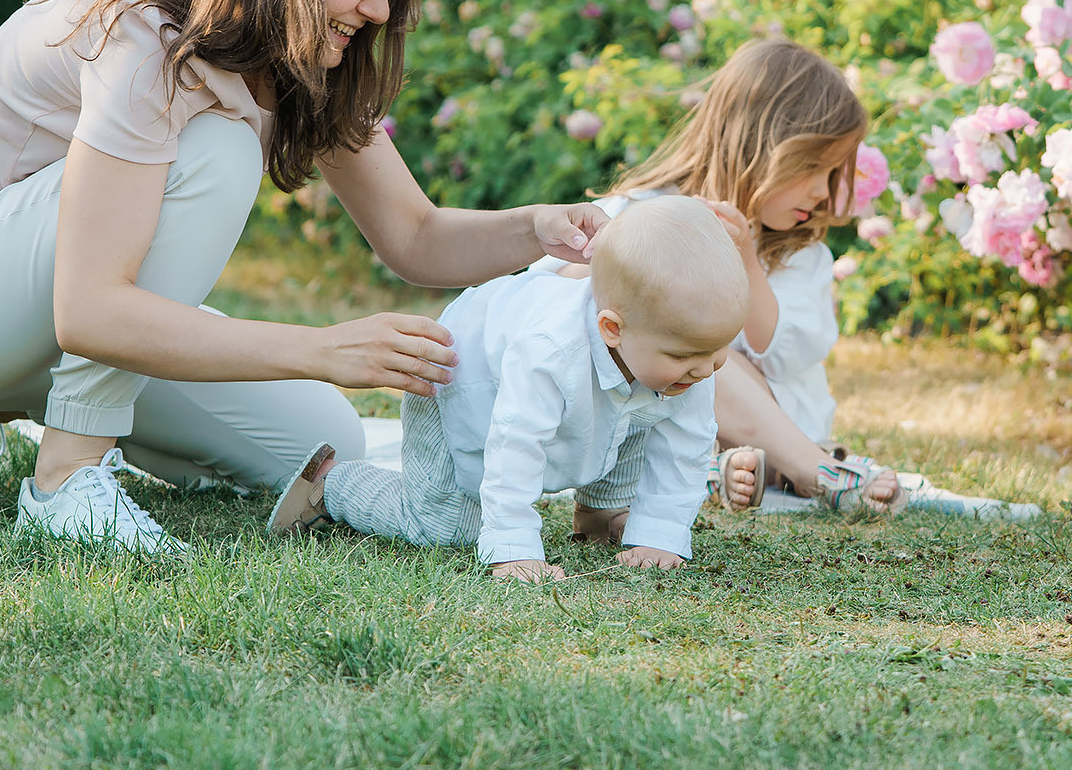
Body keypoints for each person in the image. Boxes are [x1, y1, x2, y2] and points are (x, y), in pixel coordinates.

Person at [0, 0, 608, 551]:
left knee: (329, 436)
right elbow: (88, 311)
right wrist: (323, 347)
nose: (378, 8)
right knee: (218, 153)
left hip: (26, 313)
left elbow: (415, 235)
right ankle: (65, 473)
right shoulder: (147, 31)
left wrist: (535, 226)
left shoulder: (300, 50)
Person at [273, 195, 748, 582]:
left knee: (645, 405)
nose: (708, 368)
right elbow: (516, 441)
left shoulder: (686, 354)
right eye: (687, 356)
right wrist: (516, 548)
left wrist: (660, 534)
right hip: (457, 385)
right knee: (446, 526)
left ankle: (603, 513)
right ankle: (332, 484)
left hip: (594, 391)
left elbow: (685, 443)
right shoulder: (549, 351)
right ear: (612, 328)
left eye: (719, 349)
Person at [541, 39, 907, 513]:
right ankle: (726, 471)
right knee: (658, 332)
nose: (822, 190)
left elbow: (782, 352)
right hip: (642, 422)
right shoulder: (644, 209)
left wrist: (746, 259)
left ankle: (805, 468)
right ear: (755, 143)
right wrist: (618, 250)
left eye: (833, 171)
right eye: (812, 167)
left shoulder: (800, 254)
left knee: (705, 348)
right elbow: (542, 299)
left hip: (776, 426)